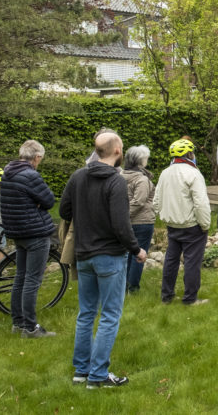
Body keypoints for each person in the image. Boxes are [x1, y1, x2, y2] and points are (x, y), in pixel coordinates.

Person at [60, 131, 144, 388]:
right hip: (109, 257)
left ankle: (81, 371)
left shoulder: (78, 176)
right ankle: (97, 376)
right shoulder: (115, 181)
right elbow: (121, 224)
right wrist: (136, 250)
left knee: (86, 314)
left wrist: (87, 214)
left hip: (84, 256)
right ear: (118, 151)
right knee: (109, 315)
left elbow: (64, 210)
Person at [0, 139, 57, 338]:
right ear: (37, 157)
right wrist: (37, 205)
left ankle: (18, 323)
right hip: (35, 233)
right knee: (32, 280)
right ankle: (31, 328)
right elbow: (49, 200)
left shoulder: (8, 173)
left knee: (20, 277)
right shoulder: (30, 175)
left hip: (17, 231)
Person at [153, 139, 211, 305]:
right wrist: (205, 224)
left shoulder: (165, 172)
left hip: (172, 225)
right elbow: (201, 203)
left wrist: (163, 215)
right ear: (190, 154)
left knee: (171, 260)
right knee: (192, 262)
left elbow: (156, 200)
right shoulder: (193, 173)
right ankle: (190, 299)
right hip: (192, 226)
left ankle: (167, 296)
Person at [123, 145, 156, 293]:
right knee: (138, 256)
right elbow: (139, 202)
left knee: (126, 255)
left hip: (126, 223)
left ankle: (124, 285)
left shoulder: (119, 176)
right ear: (141, 160)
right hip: (142, 223)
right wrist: (123, 215)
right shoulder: (141, 179)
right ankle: (133, 287)